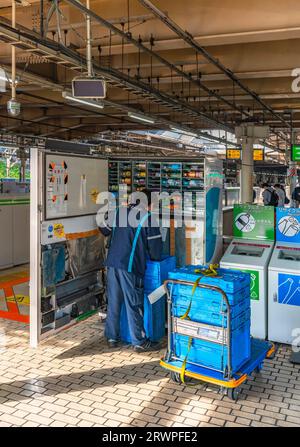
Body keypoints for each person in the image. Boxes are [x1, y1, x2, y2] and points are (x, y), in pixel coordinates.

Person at [98, 188, 163, 352]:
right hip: (130, 266)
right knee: (134, 304)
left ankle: (112, 337)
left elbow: (103, 229)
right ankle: (139, 342)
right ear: (148, 203)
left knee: (113, 302)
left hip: (112, 264)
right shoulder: (148, 218)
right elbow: (155, 251)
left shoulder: (119, 212)